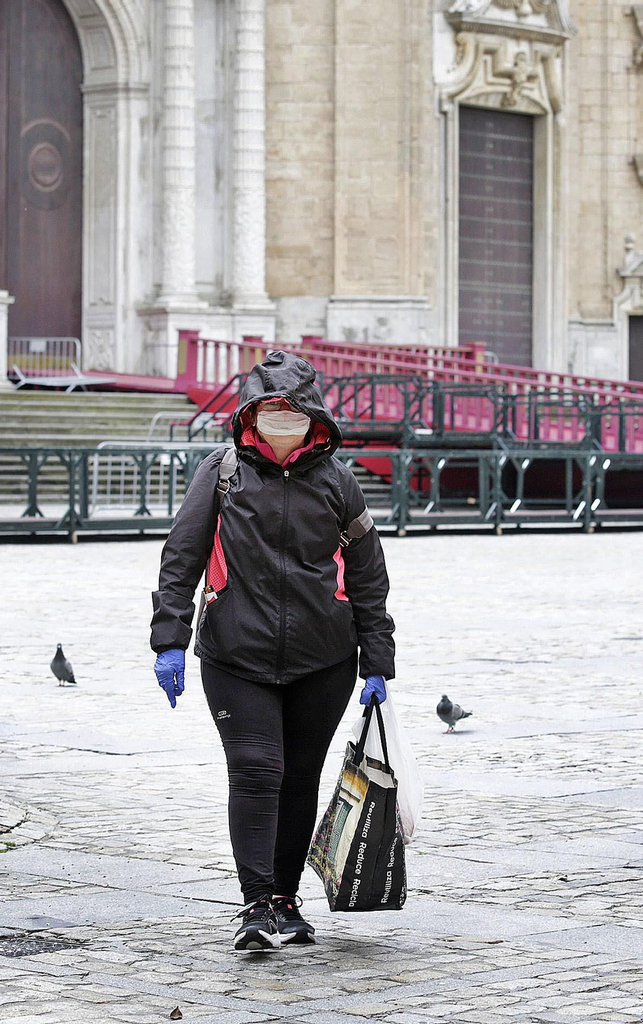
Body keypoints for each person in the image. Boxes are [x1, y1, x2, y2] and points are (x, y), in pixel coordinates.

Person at [150, 351, 396, 951]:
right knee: (258, 770)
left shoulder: (338, 479)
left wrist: (377, 658)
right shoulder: (222, 471)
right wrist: (169, 639)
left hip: (325, 657)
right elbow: (182, 555)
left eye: (290, 410)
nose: (279, 420)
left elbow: (367, 572)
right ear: (250, 415)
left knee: (299, 779)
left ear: (312, 417)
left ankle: (287, 899)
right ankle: (257, 903)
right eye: (268, 410)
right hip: (237, 653)